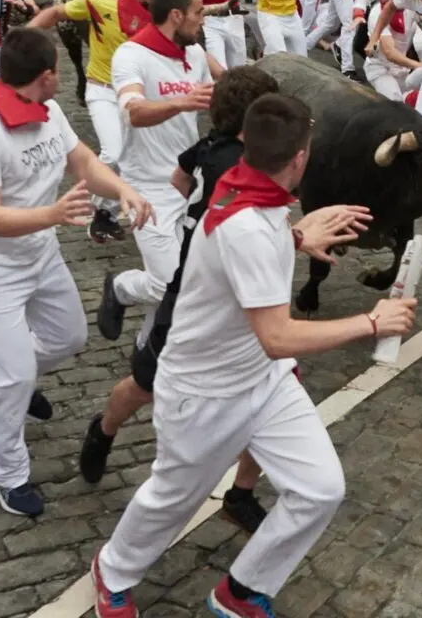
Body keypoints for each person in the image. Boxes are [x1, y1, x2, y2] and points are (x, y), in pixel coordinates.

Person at [88, 93, 418, 618]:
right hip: (204, 390)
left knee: (319, 489)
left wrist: (296, 236)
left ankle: (241, 590)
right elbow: (277, 336)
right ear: (300, 159)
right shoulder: (248, 223)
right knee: (172, 498)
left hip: (261, 380)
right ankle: (111, 570)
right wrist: (372, 322)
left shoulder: (245, 188)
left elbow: (251, 251)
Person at [0, 28, 152, 517]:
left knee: (69, 338)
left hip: (38, 255)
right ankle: (7, 475)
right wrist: (54, 215)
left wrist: (122, 189)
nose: (61, 78)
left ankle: (14, 381)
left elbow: (81, 159)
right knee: (12, 374)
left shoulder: (49, 110)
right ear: (46, 76)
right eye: (59, 71)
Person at [81, 67, 284, 533]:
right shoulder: (242, 164)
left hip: (244, 295)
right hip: (195, 294)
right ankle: (104, 429)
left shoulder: (206, 147)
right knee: (144, 384)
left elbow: (178, 179)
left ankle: (241, 492)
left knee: (271, 389)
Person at [96, 0, 217, 347]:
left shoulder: (195, 54)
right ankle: (120, 288)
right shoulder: (131, 56)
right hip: (146, 189)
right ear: (177, 15)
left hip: (187, 184)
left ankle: (146, 352)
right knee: (167, 282)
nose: (202, 21)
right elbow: (133, 111)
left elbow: (216, 97)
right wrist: (181, 103)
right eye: (198, 13)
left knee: (190, 279)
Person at [29, 0, 163, 244]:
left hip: (140, 96)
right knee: (114, 153)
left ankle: (106, 211)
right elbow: (54, 14)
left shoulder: (164, 11)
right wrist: (22, 39)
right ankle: (100, 208)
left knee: (141, 160)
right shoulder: (97, 0)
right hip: (102, 90)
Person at [362, 0, 419, 100]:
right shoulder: (377, 14)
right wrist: (419, 66)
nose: (399, 1)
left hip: (403, 71)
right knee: (395, 100)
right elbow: (390, 53)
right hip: (381, 69)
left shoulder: (410, 8)